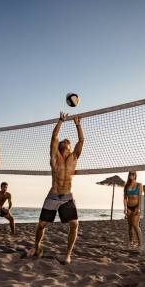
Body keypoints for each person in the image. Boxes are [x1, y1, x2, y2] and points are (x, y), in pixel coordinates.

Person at [26, 112, 84, 264]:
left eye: (67, 143)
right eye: (63, 143)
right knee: (41, 225)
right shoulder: (55, 159)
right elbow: (54, 138)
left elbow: (81, 140)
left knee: (74, 224)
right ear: (59, 147)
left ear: (70, 148)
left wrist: (78, 124)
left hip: (66, 196)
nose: (65, 143)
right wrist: (61, 121)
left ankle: (67, 255)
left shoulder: (74, 158)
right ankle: (37, 247)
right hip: (53, 195)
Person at [123, 171, 143, 249]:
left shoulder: (139, 185)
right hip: (128, 207)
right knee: (130, 226)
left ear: (135, 175)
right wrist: (125, 208)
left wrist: (139, 208)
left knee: (135, 225)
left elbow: (140, 197)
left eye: (133, 174)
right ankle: (131, 242)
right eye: (130, 174)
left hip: (136, 206)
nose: (131, 175)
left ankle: (140, 244)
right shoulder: (126, 185)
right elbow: (125, 198)